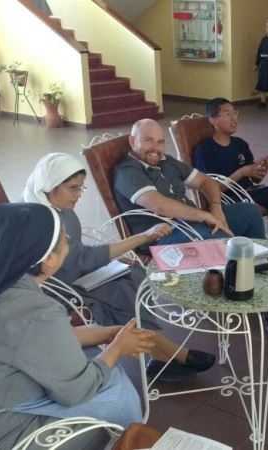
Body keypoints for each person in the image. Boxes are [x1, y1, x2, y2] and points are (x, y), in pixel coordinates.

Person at [0, 203, 156, 450]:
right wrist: (117, 349)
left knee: (89, 359)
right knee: (113, 389)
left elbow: (25, 340)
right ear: (48, 260)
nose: (69, 240)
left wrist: (109, 334)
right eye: (64, 239)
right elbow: (78, 390)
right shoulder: (35, 310)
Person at [24, 153, 216, 381]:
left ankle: (161, 356)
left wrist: (139, 240)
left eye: (81, 188)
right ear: (50, 185)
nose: (78, 195)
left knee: (131, 275)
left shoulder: (61, 210)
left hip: (76, 274)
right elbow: (80, 259)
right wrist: (142, 238)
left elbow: (79, 255)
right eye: (73, 188)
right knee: (121, 292)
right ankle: (174, 354)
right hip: (56, 289)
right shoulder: (44, 222)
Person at [113, 119, 266, 245]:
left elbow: (206, 181)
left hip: (193, 223)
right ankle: (233, 269)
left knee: (250, 212)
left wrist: (216, 208)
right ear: (132, 141)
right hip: (164, 235)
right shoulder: (127, 171)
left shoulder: (167, 161)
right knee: (217, 239)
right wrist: (205, 216)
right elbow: (160, 206)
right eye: (148, 140)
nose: (155, 148)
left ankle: (258, 264)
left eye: (160, 142)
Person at [193, 98, 268, 246]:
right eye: (227, 114)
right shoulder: (204, 150)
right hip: (231, 199)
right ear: (213, 120)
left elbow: (254, 180)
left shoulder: (240, 144)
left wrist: (260, 169)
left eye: (235, 113)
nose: (234, 118)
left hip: (251, 192)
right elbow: (211, 189)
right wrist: (241, 172)